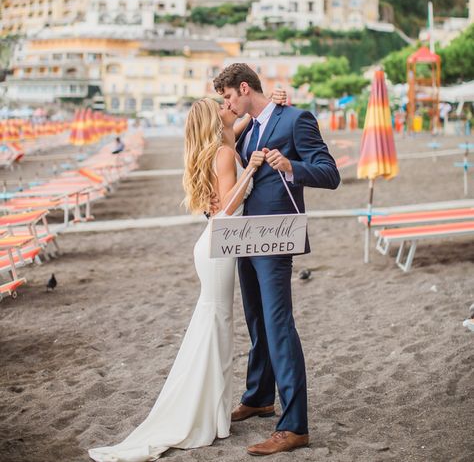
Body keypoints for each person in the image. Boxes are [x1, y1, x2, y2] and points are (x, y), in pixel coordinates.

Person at [88, 90, 285, 462]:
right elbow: (228, 207)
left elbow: (247, 120)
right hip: (218, 246)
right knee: (216, 325)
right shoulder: (225, 153)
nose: (229, 107)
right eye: (222, 107)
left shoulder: (222, 144)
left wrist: (272, 100)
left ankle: (211, 415)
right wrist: (255, 170)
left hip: (213, 245)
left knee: (216, 326)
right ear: (215, 120)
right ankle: (203, 415)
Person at [213, 63, 340, 456]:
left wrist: (291, 166)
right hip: (243, 237)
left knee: (279, 325)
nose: (228, 104)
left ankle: (294, 426)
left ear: (245, 87)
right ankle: (259, 396)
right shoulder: (246, 128)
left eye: (230, 97)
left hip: (277, 238)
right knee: (257, 322)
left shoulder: (296, 119)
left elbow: (330, 173)